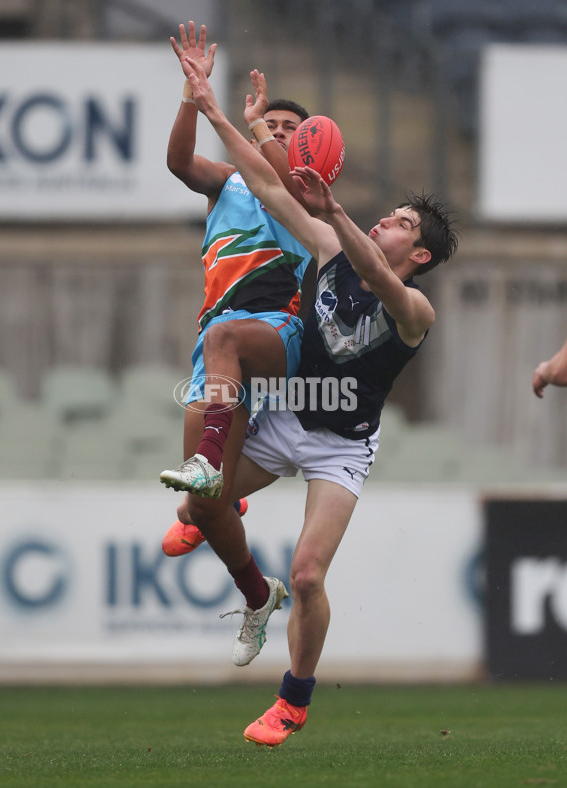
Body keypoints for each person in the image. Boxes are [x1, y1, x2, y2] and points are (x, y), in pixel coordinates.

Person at [164, 53, 459, 748]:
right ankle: (226, 516)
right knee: (199, 508)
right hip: (291, 414)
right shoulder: (329, 244)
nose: (386, 222)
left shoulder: (415, 306)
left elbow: (380, 286)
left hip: (341, 443)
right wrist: (212, 111)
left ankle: (293, 701)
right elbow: (266, 184)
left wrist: (334, 214)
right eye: (386, 216)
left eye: (400, 224)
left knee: (307, 573)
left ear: (416, 254)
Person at [161, 22, 314, 668]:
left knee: (226, 339)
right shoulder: (227, 185)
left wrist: (254, 129)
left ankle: (216, 465)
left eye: (288, 130)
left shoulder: (303, 193)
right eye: (271, 124)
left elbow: (277, 172)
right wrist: (192, 98)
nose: (276, 133)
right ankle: (258, 595)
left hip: (279, 331)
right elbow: (176, 164)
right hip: (218, 344)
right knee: (203, 502)